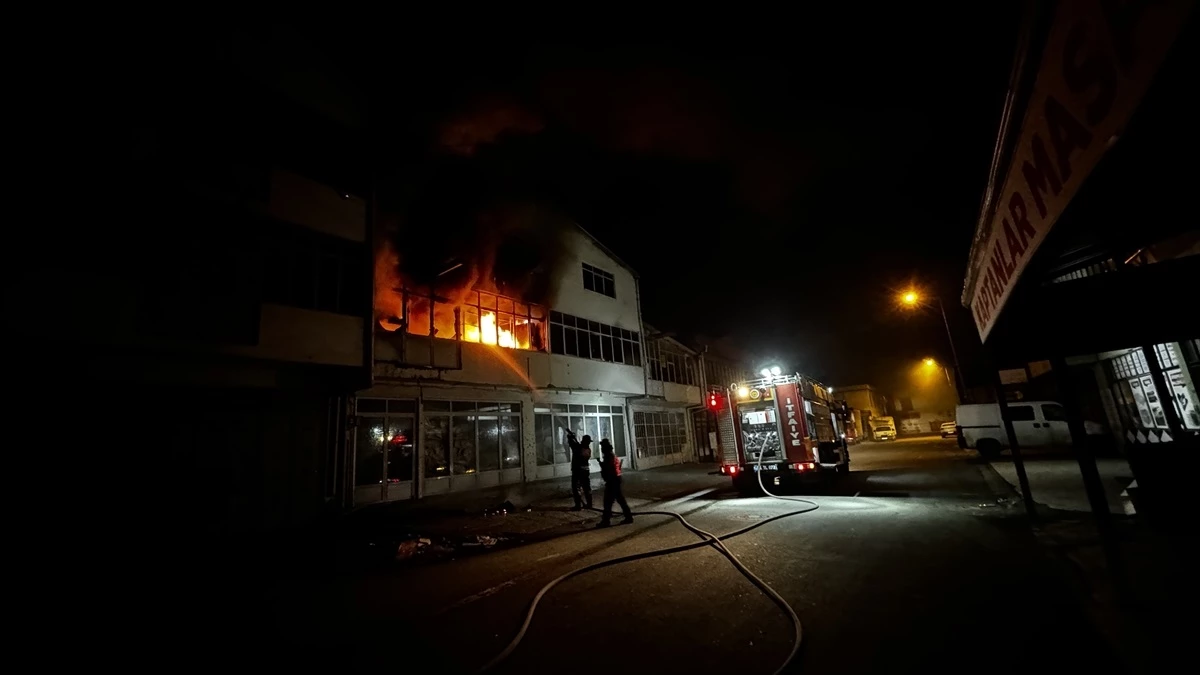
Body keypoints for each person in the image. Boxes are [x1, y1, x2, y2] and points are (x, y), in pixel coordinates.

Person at [596, 438, 632, 527]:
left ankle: (606, 521)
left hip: (612, 480)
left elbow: (609, 469)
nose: (601, 449)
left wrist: (602, 465)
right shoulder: (611, 455)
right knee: (619, 500)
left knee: (608, 502)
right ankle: (628, 517)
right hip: (615, 480)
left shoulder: (608, 456)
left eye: (602, 447)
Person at [565, 429, 593, 511]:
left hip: (578, 471)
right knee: (587, 487)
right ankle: (589, 504)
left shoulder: (578, 448)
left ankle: (578, 506)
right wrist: (573, 438)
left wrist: (571, 437)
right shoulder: (588, 450)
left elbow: (571, 443)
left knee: (576, 488)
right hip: (586, 471)